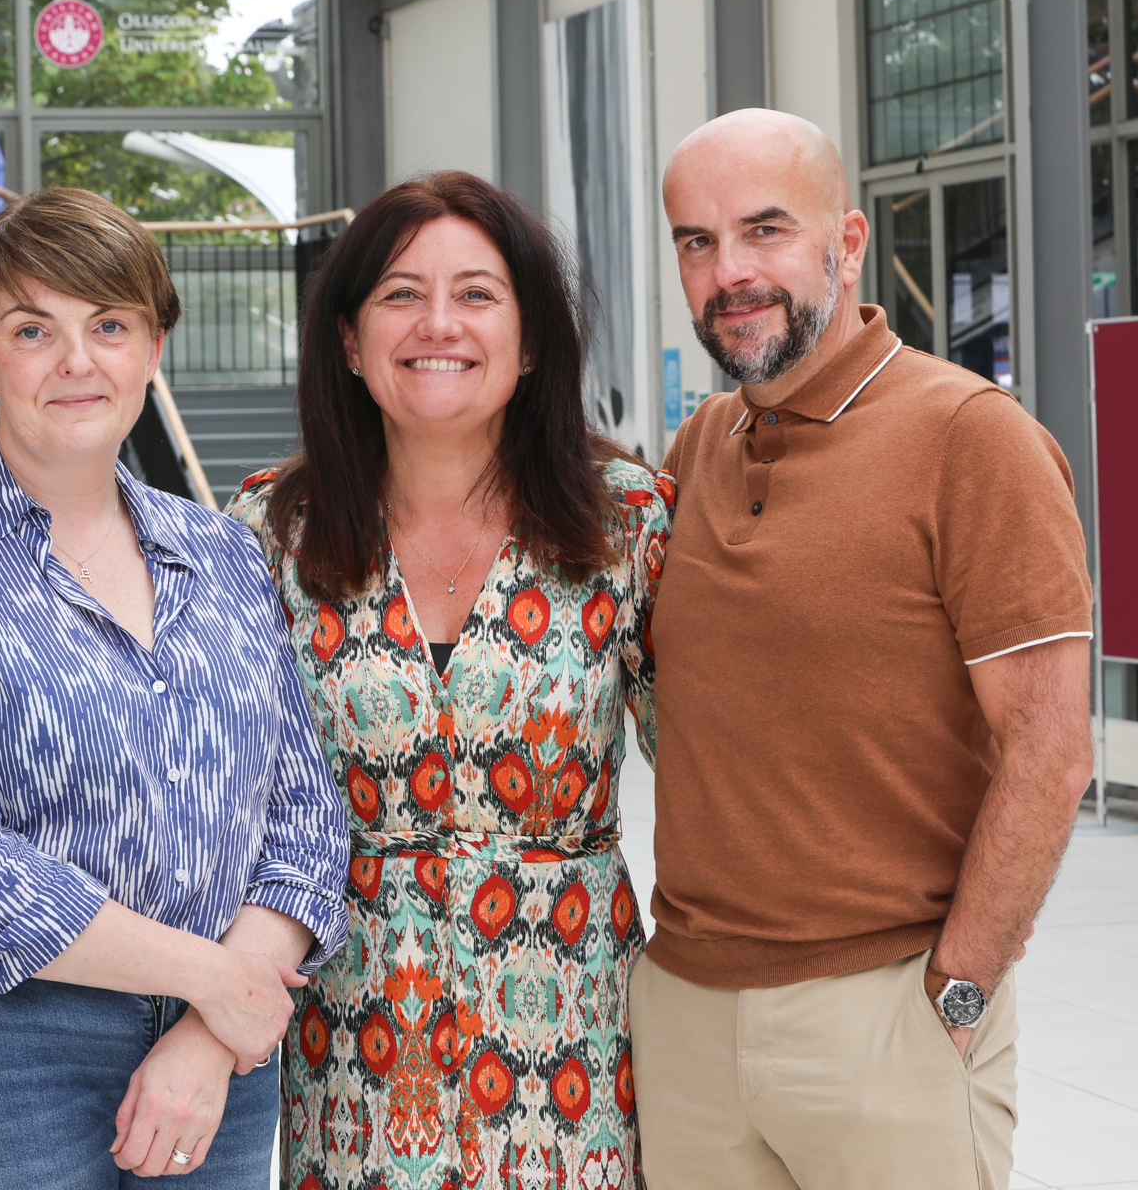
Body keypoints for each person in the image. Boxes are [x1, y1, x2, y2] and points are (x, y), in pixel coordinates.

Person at [0, 186, 350, 1188]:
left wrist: (205, 1029)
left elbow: (304, 822)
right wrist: (215, 980)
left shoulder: (222, 554)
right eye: (32, 328)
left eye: (109, 325)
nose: (76, 361)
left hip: (209, 1049)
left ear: (153, 345)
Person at [633, 108, 1095, 1190]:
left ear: (846, 246)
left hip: (887, 1015)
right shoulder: (701, 444)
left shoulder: (970, 437)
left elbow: (1050, 749)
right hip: (687, 1016)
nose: (729, 271)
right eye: (697, 242)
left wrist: (959, 997)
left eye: (764, 231)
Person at [226, 170, 671, 1189]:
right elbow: (222, 799)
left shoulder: (628, 522)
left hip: (575, 1041)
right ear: (348, 340)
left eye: (476, 293)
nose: (439, 324)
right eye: (399, 294)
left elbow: (718, 767)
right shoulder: (266, 532)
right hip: (350, 1047)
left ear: (530, 339)